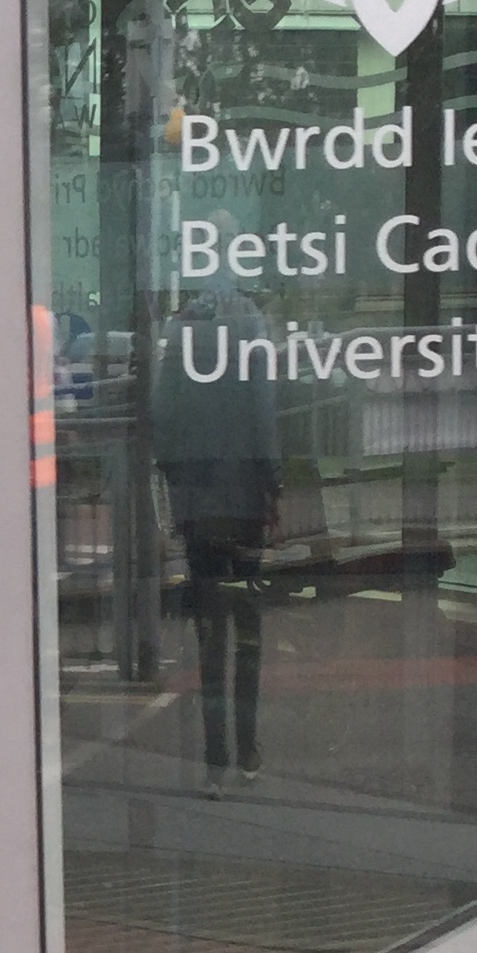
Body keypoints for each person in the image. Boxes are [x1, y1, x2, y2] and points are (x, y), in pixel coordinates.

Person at [151, 270, 282, 792]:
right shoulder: (251, 325)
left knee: (210, 632)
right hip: (246, 498)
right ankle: (249, 750)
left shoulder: (181, 330)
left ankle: (213, 761)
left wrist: (178, 482)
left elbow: (162, 413)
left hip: (200, 502)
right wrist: (273, 485)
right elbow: (263, 411)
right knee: (248, 629)